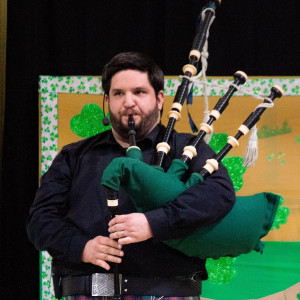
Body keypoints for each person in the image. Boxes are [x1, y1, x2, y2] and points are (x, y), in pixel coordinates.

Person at [27, 52, 236, 300]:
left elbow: (220, 194)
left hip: (169, 291)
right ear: (107, 100)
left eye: (139, 92)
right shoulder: (74, 156)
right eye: (118, 93)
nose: (128, 102)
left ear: (159, 99)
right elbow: (40, 221)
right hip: (86, 291)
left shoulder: (187, 148)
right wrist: (81, 247)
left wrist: (154, 223)